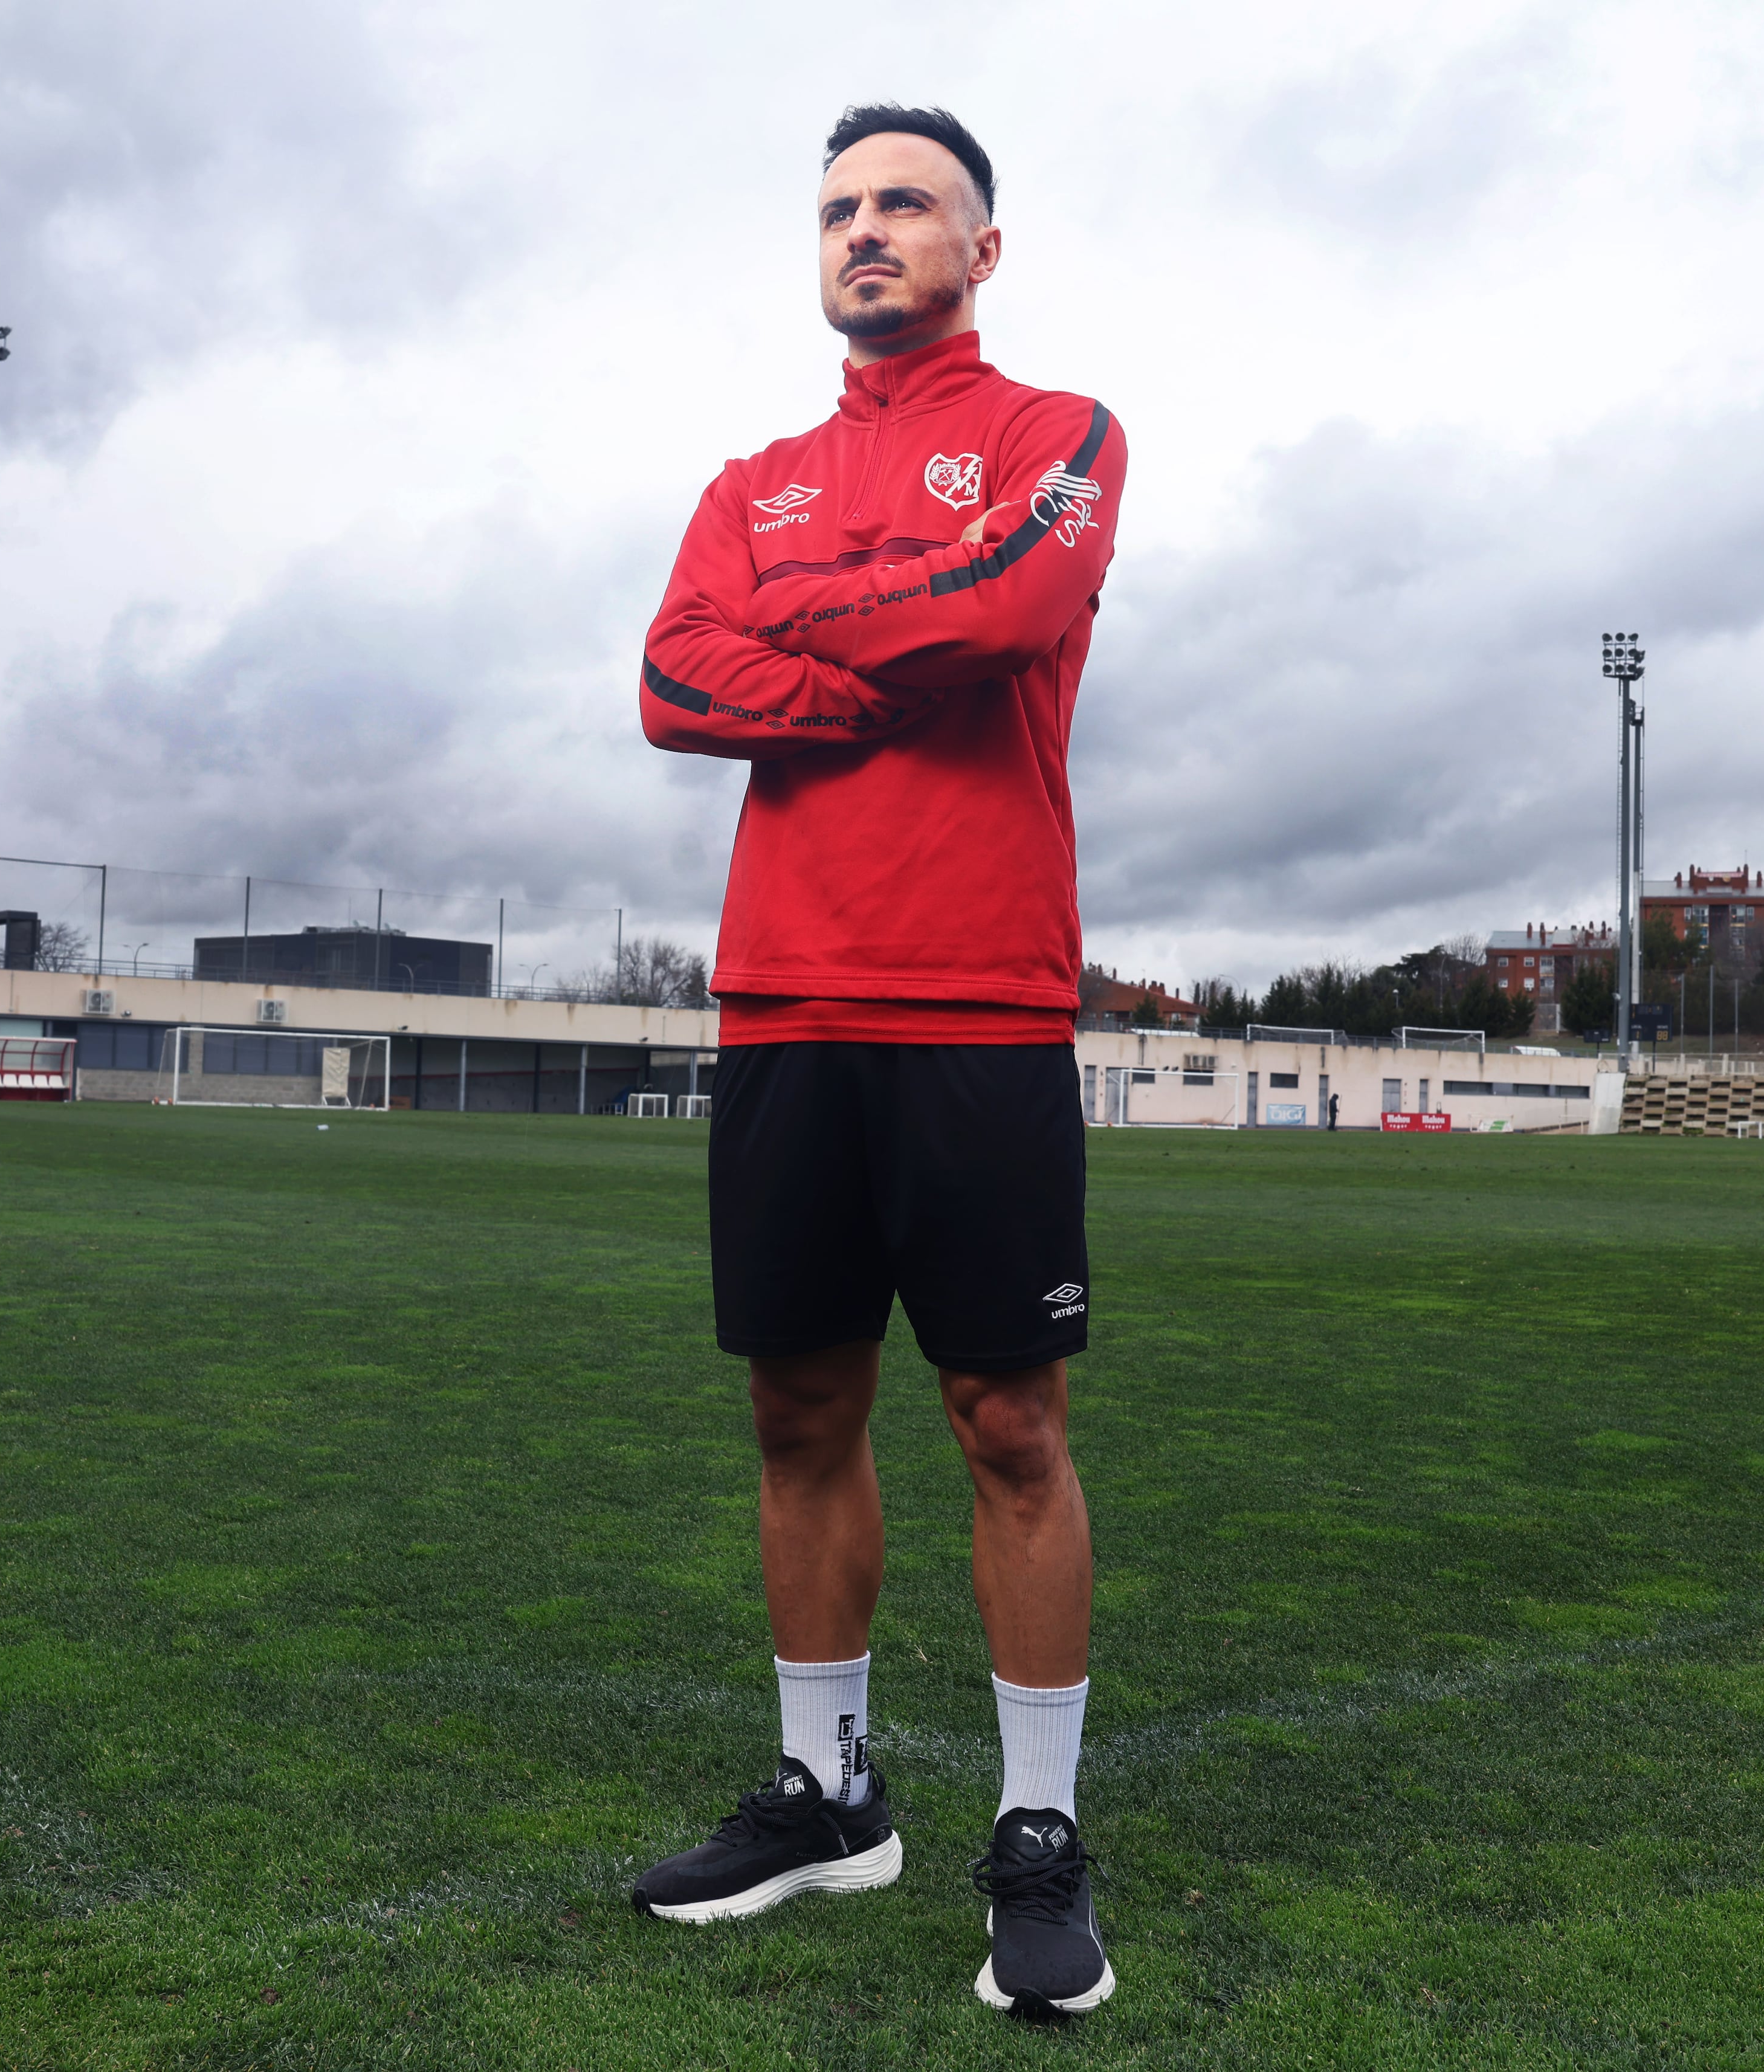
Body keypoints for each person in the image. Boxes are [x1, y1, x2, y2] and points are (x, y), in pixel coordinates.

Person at [625, 102, 1126, 2021]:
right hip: (785, 1006)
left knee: (1009, 1425)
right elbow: (674, 680)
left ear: (980, 248)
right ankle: (831, 1799)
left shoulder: (1055, 437)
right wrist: (885, 654)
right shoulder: (748, 478)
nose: (866, 230)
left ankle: (1038, 1836)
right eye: (839, 207)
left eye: (907, 202)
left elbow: (1016, 604)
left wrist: (803, 645)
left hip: (980, 1003)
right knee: (795, 1415)